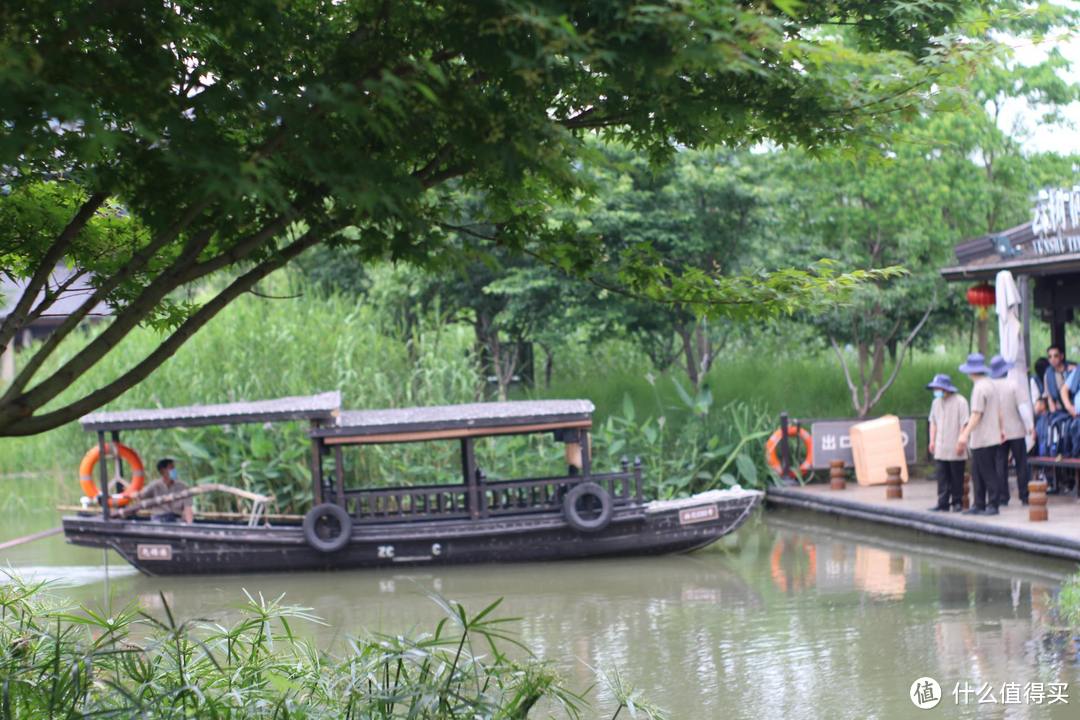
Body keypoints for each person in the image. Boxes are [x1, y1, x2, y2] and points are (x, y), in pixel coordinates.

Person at [956, 353, 1005, 516]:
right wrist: (1001, 429)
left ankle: (992, 504)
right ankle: (979, 503)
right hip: (989, 437)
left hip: (983, 438)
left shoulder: (979, 388)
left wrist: (964, 434)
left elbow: (976, 414)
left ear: (970, 372)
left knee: (987, 472)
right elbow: (998, 411)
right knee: (977, 472)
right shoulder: (991, 384)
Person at [990, 355, 1034, 505]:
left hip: (998, 432)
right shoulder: (1013, 385)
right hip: (1016, 431)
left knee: (1000, 465)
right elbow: (1023, 409)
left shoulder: (989, 387)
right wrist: (1030, 427)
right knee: (1021, 463)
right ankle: (1024, 495)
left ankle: (1003, 497)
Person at [927, 373, 968, 512]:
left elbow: (964, 423)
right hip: (940, 446)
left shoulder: (960, 402)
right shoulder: (936, 403)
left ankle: (957, 502)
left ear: (946, 388)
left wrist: (961, 442)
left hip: (955, 445)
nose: (936, 391)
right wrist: (932, 440)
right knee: (942, 476)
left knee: (957, 476)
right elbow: (933, 422)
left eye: (938, 388)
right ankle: (942, 502)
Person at [138, 458, 193, 523]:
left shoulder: (183, 486)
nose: (174, 470)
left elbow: (188, 508)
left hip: (176, 518)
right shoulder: (154, 485)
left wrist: (190, 524)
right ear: (162, 471)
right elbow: (140, 496)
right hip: (158, 518)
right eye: (171, 468)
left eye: (174, 468)